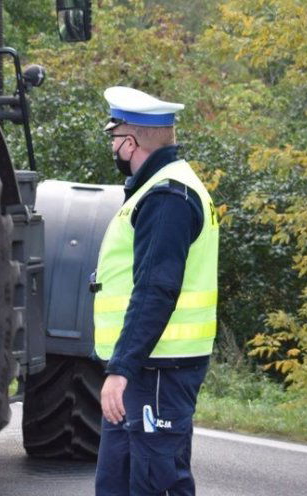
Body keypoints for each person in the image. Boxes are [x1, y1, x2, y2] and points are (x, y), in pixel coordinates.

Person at [92, 86, 219, 496]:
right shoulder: (156, 189)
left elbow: (155, 291)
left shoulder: (168, 196)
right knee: (117, 483)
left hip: (158, 369)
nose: (113, 147)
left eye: (114, 138)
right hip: (147, 368)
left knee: (155, 484)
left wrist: (121, 369)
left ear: (130, 142)